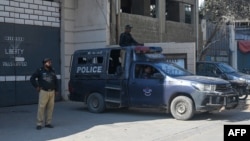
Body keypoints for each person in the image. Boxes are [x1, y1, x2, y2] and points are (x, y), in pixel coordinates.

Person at [30, 58, 58, 130]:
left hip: (52, 92)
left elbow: (56, 81)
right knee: (41, 108)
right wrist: (36, 86)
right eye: (48, 62)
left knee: (50, 108)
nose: (50, 63)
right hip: (44, 92)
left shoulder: (53, 70)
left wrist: (56, 90)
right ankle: (39, 124)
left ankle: (48, 123)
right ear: (44, 63)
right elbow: (32, 78)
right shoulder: (40, 70)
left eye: (50, 62)